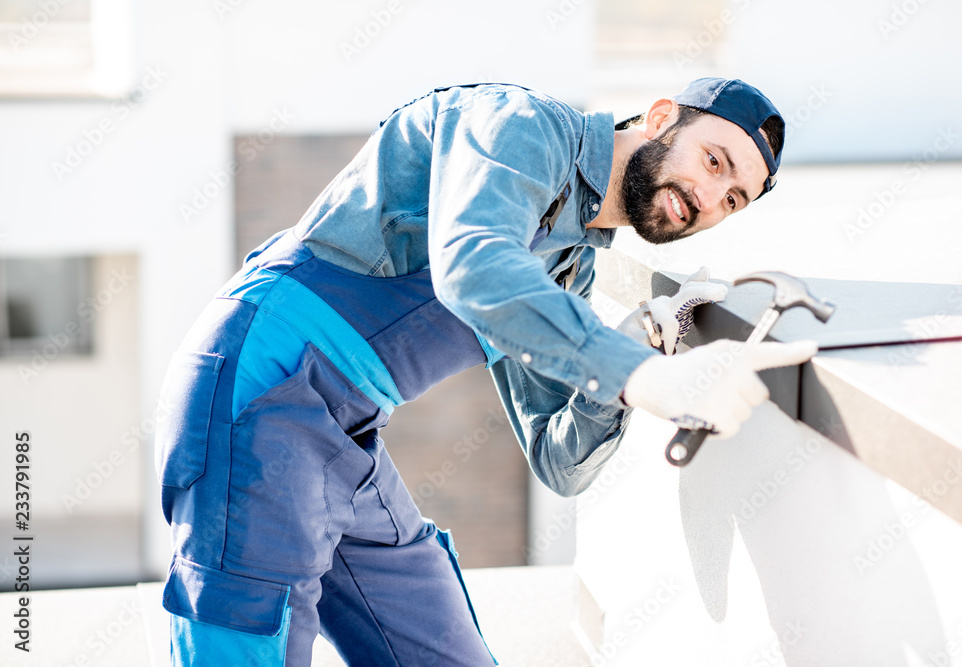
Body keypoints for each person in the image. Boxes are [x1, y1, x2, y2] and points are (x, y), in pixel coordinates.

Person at [154, 77, 817, 666]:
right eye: (712, 160)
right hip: (257, 388)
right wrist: (643, 373)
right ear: (661, 116)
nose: (708, 196)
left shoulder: (568, 267)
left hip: (343, 435)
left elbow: (558, 458)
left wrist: (626, 357)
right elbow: (473, 264)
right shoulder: (520, 126)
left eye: (732, 199)